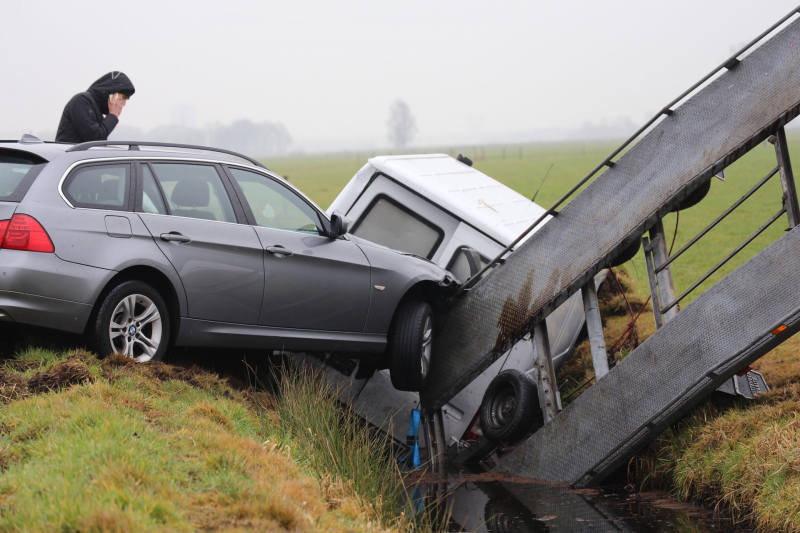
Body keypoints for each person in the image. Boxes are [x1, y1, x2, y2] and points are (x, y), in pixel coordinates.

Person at [55, 72, 136, 143]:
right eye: (123, 98)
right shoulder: (82, 101)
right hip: (70, 159)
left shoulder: (96, 108)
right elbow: (94, 140)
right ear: (112, 93)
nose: (124, 103)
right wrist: (113, 116)